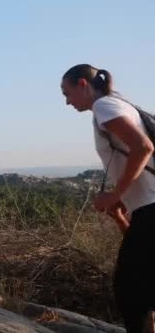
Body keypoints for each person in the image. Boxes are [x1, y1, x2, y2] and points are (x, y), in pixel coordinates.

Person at [61, 64, 155, 333]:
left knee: (131, 292)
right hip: (147, 212)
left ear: (83, 85)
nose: (67, 102)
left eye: (67, 93)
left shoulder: (104, 106)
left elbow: (143, 147)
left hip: (151, 211)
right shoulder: (120, 104)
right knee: (140, 290)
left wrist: (116, 193)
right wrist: (120, 211)